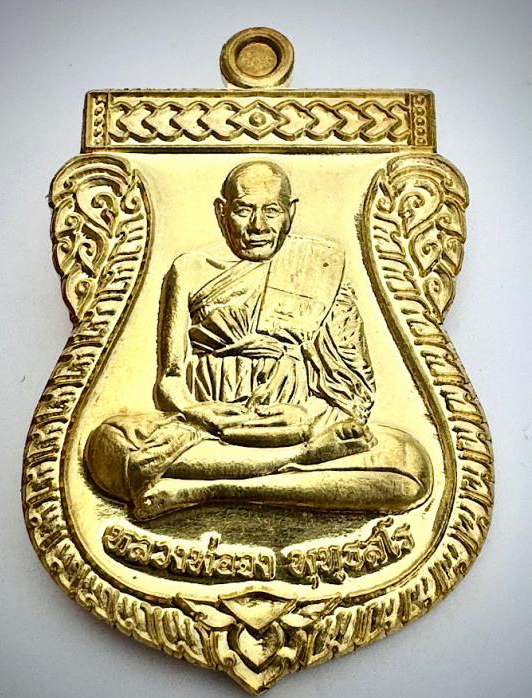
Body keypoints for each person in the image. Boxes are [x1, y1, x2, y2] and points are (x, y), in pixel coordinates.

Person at [86, 160, 432, 519]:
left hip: (298, 427)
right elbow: (169, 380)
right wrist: (196, 411)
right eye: (243, 210)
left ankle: (212, 489)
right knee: (109, 444)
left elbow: (353, 389)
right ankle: (297, 465)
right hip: (210, 431)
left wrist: (306, 416)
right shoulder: (190, 269)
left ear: (290, 212)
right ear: (221, 212)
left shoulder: (323, 266)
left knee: (408, 465)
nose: (258, 226)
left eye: (271, 211)